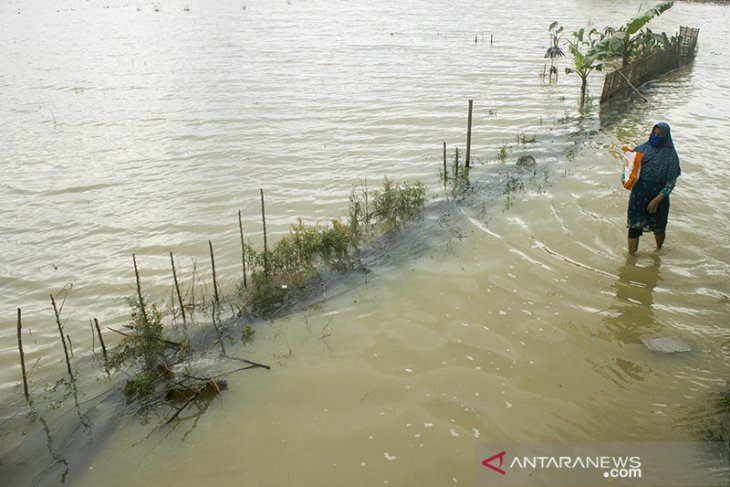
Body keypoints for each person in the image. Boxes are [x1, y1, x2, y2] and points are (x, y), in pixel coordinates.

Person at [624, 122, 681, 256]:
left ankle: (658, 251)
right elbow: (629, 167)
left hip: (658, 198)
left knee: (659, 227)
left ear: (666, 136)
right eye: (654, 133)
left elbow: (671, 182)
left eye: (660, 135)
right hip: (638, 195)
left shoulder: (671, 155)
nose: (656, 136)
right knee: (634, 227)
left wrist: (657, 199)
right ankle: (631, 258)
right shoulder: (641, 149)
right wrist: (624, 178)